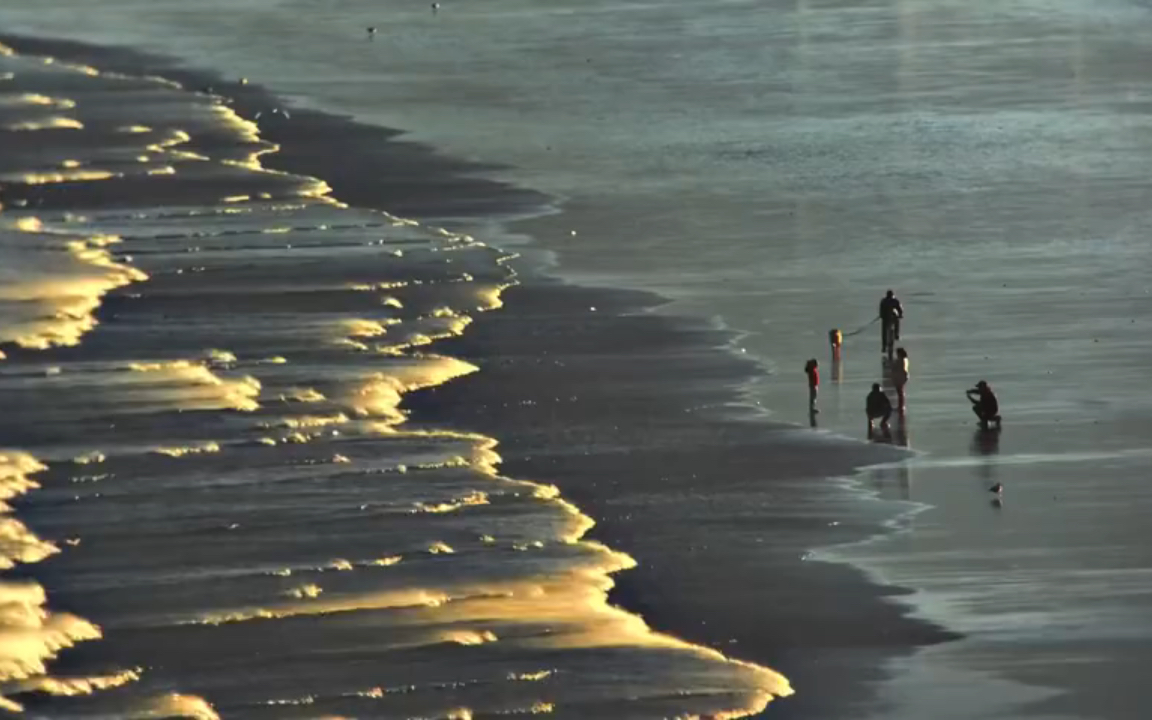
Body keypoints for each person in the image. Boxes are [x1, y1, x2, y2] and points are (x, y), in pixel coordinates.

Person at [879, 289, 904, 354]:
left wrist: (881, 315)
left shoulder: (884, 301)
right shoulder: (895, 300)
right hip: (892, 317)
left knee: (884, 330)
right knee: (896, 323)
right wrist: (901, 314)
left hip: (887, 318)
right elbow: (900, 309)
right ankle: (896, 335)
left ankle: (884, 345)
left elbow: (881, 309)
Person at [893, 347, 909, 411]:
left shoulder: (902, 360)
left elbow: (900, 368)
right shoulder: (904, 359)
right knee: (900, 392)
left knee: (900, 392)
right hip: (901, 376)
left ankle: (901, 406)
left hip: (900, 377)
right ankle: (901, 405)